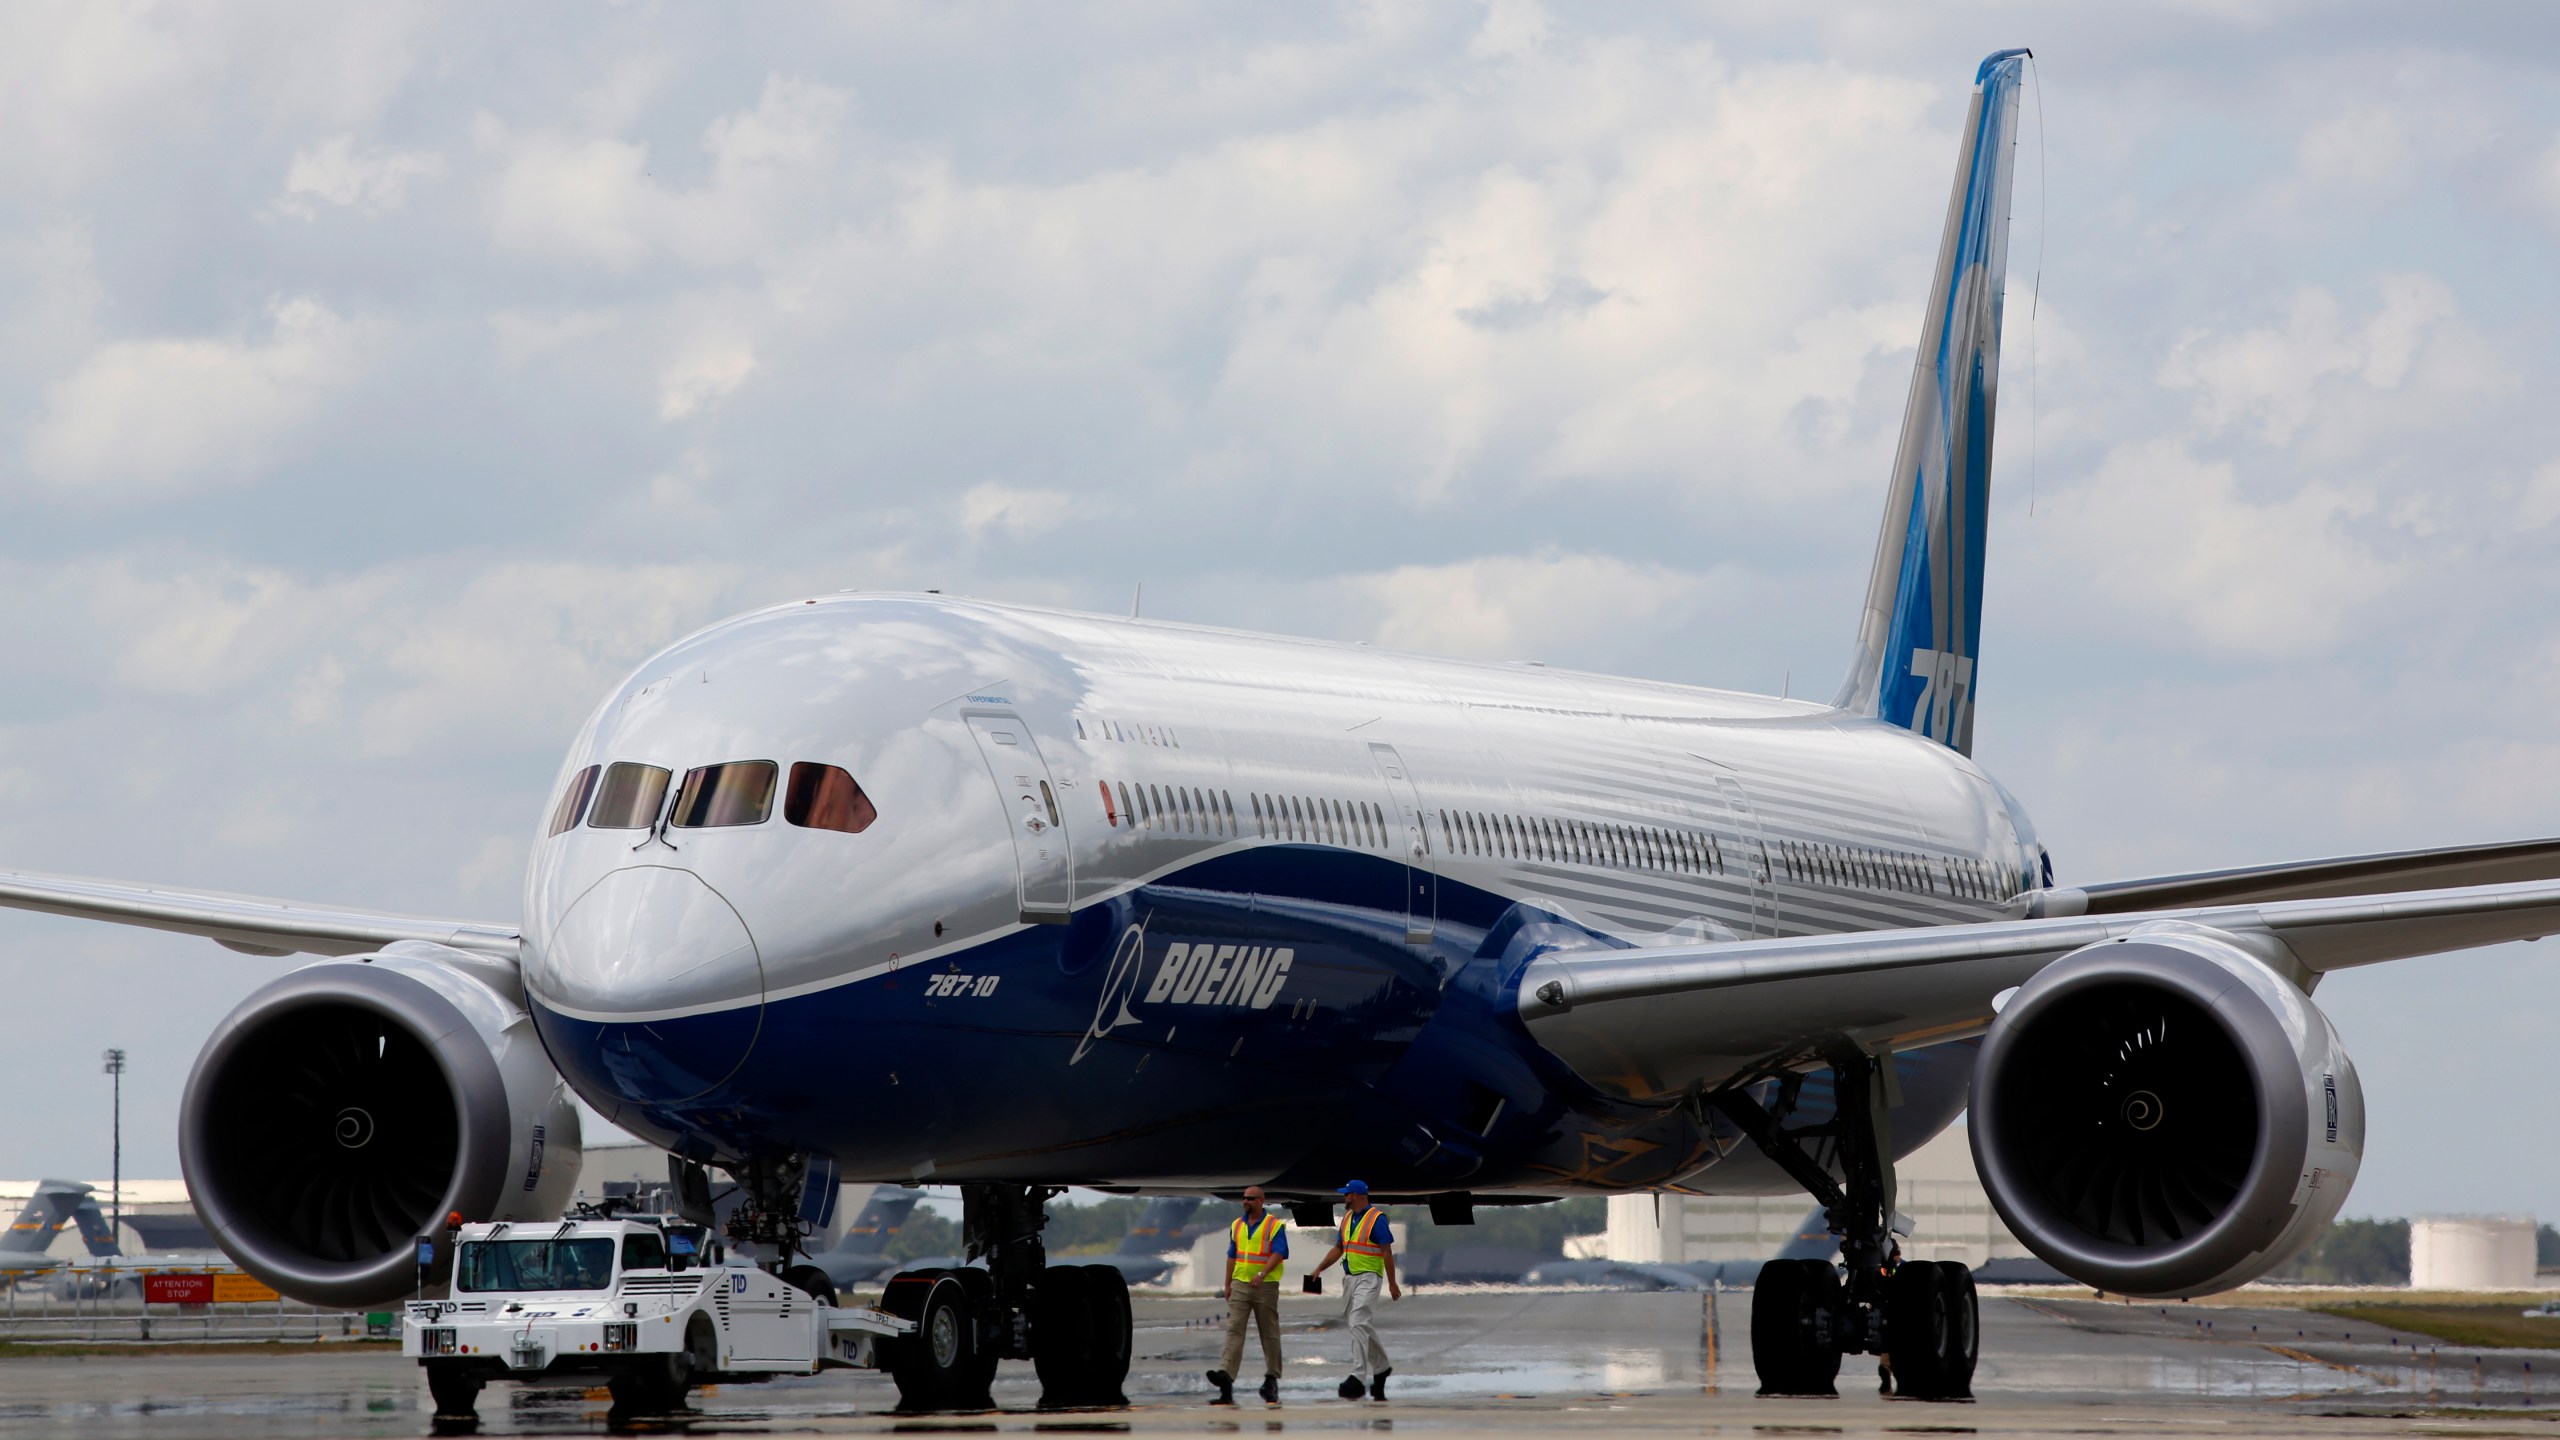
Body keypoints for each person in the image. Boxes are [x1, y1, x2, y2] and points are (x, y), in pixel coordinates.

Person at [1308, 1180, 1399, 1400]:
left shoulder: (1376, 1220)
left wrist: (1392, 1282)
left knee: (1358, 1322)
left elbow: (1387, 1252)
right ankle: (1382, 1366)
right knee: (1360, 1325)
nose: (1344, 1198)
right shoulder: (1348, 1219)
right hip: (1349, 1280)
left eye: (1346, 1194)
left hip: (1369, 1278)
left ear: (1357, 1195)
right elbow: (1339, 1248)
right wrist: (1319, 1268)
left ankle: (1357, 1376)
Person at [1206, 1186, 1288, 1405]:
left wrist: (1262, 1273)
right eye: (1244, 1198)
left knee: (1269, 1333)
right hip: (1240, 1284)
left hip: (1266, 1286)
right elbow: (1232, 1255)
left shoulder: (1274, 1225)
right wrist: (1227, 1283)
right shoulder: (1237, 1225)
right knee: (1234, 1330)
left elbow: (1279, 1253)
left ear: (1261, 1201)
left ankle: (1271, 1377)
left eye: (1251, 1198)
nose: (1246, 1201)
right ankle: (1226, 1375)